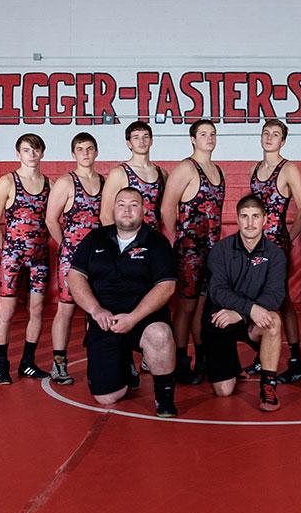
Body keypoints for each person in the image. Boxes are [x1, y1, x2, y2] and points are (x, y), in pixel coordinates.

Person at [67, 187, 179, 417]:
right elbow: (75, 276)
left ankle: (164, 397)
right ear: (113, 209)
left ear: (144, 210)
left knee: (160, 334)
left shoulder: (156, 242)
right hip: (105, 320)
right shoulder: (95, 238)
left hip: (143, 319)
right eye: (121, 204)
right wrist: (95, 310)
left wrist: (133, 318)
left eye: (133, 205)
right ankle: (126, 367)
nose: (127, 210)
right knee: (107, 397)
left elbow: (166, 286)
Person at [202, 195, 286, 411]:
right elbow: (217, 291)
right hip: (221, 319)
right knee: (223, 391)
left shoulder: (275, 254)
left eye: (255, 216)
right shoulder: (220, 250)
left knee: (273, 321)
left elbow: (275, 295)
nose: (250, 223)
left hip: (249, 321)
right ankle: (230, 364)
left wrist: (242, 313)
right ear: (237, 219)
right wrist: (249, 308)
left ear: (265, 220)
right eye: (244, 217)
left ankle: (268, 386)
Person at [160, 119, 225, 384]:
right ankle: (178, 361)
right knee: (186, 307)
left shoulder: (217, 170)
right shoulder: (186, 168)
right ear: (193, 139)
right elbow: (167, 207)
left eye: (212, 133)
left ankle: (203, 358)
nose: (209, 138)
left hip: (212, 251)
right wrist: (180, 238)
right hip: (190, 251)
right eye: (203, 134)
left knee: (202, 307)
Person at [248, 119, 301, 383]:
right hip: (254, 245)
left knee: (281, 300)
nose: (269, 137)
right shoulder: (254, 168)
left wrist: (288, 237)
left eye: (275, 134)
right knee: (258, 297)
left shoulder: (288, 169)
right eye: (266, 133)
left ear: (282, 141)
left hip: (276, 247)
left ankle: (295, 359)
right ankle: (262, 355)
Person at [0, 133, 54, 383]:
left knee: (36, 309)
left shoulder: (49, 184)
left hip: (39, 257)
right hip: (12, 257)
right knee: (6, 309)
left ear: (42, 153)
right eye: (27, 150)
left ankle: (27, 362)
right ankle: (1, 365)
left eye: (36, 150)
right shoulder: (8, 181)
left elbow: (52, 218)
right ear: (18, 153)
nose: (32, 154)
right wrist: (5, 248)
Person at [47, 132, 103, 385]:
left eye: (90, 148)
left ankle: (99, 359)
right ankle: (59, 362)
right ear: (73, 154)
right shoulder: (66, 182)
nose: (85, 153)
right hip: (72, 257)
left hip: (98, 256)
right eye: (80, 149)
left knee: (97, 308)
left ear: (96, 152)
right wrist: (67, 246)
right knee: (66, 308)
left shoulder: (104, 182)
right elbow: (51, 219)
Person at [101, 121, 164, 229]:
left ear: (151, 141)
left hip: (155, 235)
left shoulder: (162, 173)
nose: (141, 141)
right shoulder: (119, 173)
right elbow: (106, 216)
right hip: (128, 234)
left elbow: (166, 211)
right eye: (136, 137)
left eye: (145, 137)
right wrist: (117, 239)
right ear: (129, 143)